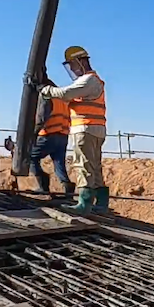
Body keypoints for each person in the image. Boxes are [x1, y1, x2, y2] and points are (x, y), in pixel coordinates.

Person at [39, 45, 107, 213]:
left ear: (80, 61)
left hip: (86, 129)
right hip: (95, 129)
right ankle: (101, 203)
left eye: (72, 64)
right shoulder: (91, 81)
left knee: (83, 165)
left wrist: (45, 90)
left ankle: (84, 204)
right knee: (94, 166)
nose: (72, 69)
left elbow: (65, 94)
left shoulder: (88, 80)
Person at [31, 83, 74, 196]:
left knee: (30, 157)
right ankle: (67, 187)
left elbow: (41, 116)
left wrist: (33, 133)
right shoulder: (61, 97)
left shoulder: (46, 95)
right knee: (59, 163)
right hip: (63, 134)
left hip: (48, 134)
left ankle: (43, 184)